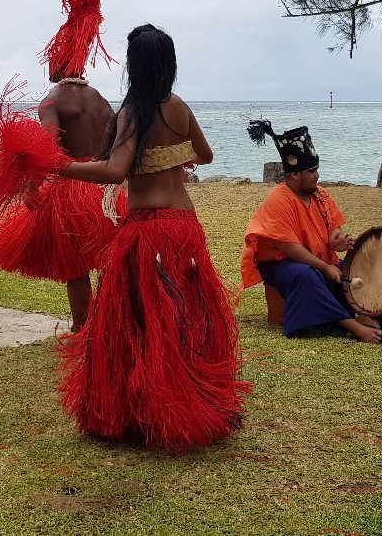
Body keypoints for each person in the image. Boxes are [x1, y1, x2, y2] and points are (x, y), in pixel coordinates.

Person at [47, 24, 250, 451]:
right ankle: (191, 402)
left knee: (141, 322)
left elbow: (114, 172)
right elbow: (205, 155)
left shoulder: (133, 112)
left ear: (133, 65)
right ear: (170, 63)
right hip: (186, 228)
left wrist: (55, 166)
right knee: (182, 316)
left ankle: (154, 413)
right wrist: (170, 156)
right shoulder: (178, 106)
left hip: (150, 229)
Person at [0, 0, 119, 332]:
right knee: (109, 262)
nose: (48, 66)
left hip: (75, 191)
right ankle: (109, 324)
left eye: (51, 59)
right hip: (110, 189)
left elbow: (47, 148)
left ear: (61, 61)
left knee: (76, 266)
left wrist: (30, 186)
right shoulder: (100, 99)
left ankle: (82, 328)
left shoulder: (52, 100)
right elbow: (116, 141)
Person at [239, 120, 381, 343]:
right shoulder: (279, 200)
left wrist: (337, 240)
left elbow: (333, 230)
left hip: (318, 262)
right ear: (295, 174)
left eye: (317, 170)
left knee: (355, 269)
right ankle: (351, 324)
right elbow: (289, 248)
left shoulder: (321, 194)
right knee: (305, 276)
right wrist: (325, 267)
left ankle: (370, 314)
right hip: (280, 264)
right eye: (312, 171)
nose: (317, 175)